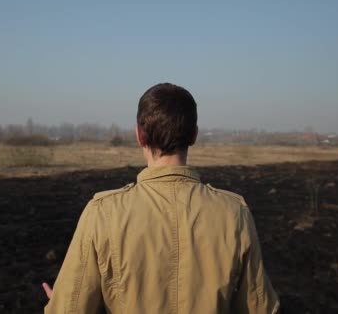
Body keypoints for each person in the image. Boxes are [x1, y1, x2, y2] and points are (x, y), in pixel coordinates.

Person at [43, 83, 279, 313]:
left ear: (139, 135)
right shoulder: (234, 213)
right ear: (194, 135)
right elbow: (260, 307)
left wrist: (61, 303)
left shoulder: (102, 213)